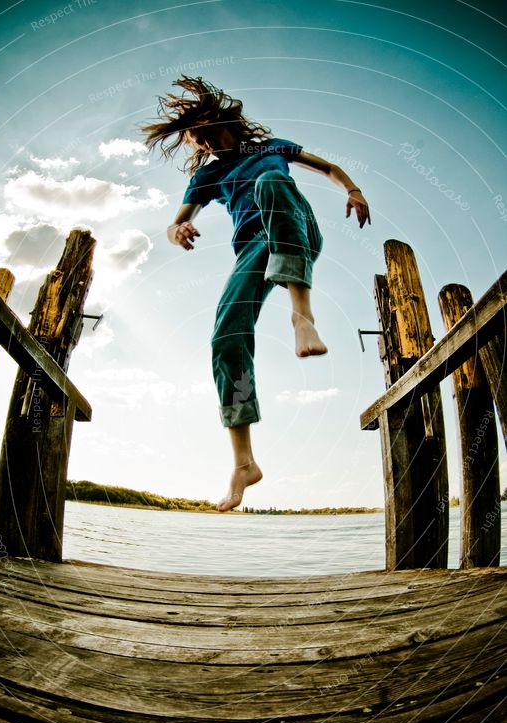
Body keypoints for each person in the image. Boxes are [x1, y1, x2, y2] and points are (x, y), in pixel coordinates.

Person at [141, 76, 371, 512]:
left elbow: (327, 168)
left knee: (270, 183)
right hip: (253, 251)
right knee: (226, 339)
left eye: (210, 131)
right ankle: (244, 462)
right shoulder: (208, 174)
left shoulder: (270, 148)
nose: (207, 143)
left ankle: (302, 315)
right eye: (198, 139)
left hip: (296, 229)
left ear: (228, 121)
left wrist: (353, 191)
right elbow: (175, 222)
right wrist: (178, 230)